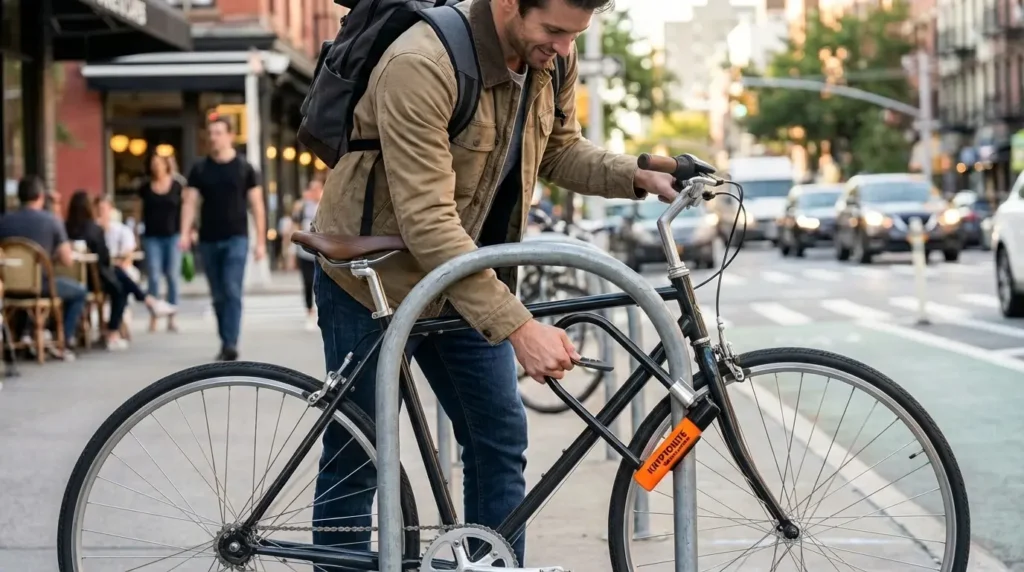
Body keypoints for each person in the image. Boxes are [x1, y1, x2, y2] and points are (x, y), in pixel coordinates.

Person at [308, 0, 680, 565]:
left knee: (498, 442)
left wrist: (635, 172)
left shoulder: (552, 55)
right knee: (359, 452)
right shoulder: (422, 62)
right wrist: (519, 327)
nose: (562, 47)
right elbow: (428, 222)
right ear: (508, 3)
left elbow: (558, 149)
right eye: (553, 30)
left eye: (574, 35)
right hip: (371, 280)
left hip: (462, 280)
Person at [180, 117, 267, 362]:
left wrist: (261, 242)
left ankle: (231, 343)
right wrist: (185, 232)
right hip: (209, 239)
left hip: (236, 237)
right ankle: (225, 339)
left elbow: (257, 206)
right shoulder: (199, 169)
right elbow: (190, 202)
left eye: (219, 132)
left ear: (230, 135)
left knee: (231, 289)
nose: (214, 137)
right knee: (218, 295)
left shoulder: (245, 168)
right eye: (211, 133)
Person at [64, 191, 174, 350]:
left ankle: (147, 301)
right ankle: (114, 331)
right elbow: (105, 258)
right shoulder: (94, 229)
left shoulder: (65, 228)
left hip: (72, 278)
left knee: (120, 276)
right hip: (93, 280)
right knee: (120, 288)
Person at [0, 176, 87, 360]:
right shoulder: (52, 221)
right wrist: (50, 256)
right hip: (41, 286)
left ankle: (21, 337)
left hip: (8, 287)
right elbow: (67, 260)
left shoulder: (4, 221)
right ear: (40, 196)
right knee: (80, 291)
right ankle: (65, 341)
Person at [134, 153, 183, 333]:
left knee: (172, 276)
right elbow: (137, 211)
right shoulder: (145, 187)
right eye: (153, 164)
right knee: (153, 276)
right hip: (151, 236)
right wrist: (136, 234)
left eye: (159, 164)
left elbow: (185, 208)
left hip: (173, 235)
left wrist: (188, 231)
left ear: (166, 165)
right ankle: (154, 315)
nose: (156, 167)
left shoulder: (177, 185)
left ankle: (172, 316)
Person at [292, 178, 323, 331]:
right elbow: (295, 226)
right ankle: (309, 311)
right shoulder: (302, 206)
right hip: (304, 251)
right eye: (312, 189)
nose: (315, 192)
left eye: (318, 189)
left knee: (320, 283)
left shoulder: (325, 205)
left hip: (322, 252)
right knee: (307, 281)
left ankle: (320, 310)